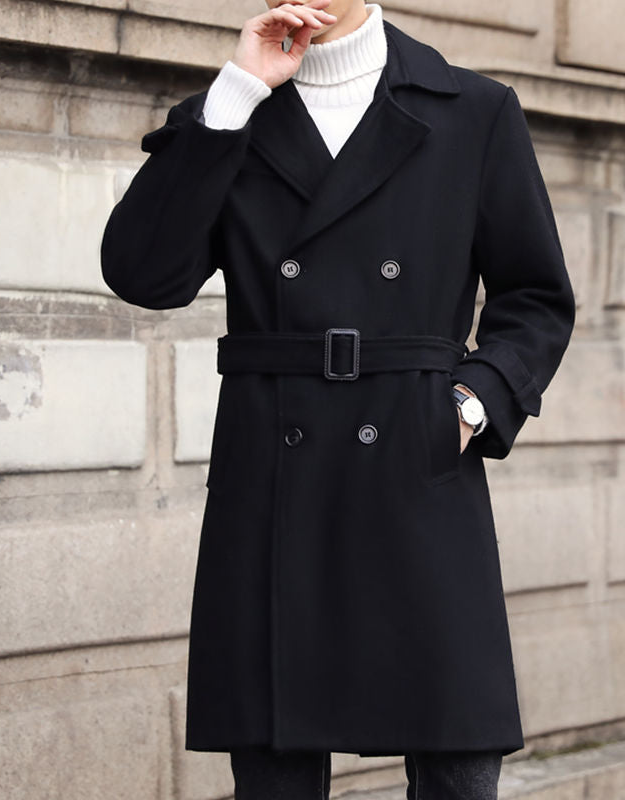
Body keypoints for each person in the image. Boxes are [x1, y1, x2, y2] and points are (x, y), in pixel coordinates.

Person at [100, 0, 576, 797]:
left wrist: (467, 406)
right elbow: (145, 274)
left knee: (457, 766)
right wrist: (236, 94)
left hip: (416, 458)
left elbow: (535, 298)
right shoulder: (229, 112)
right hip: (274, 470)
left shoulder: (473, 109)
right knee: (276, 771)